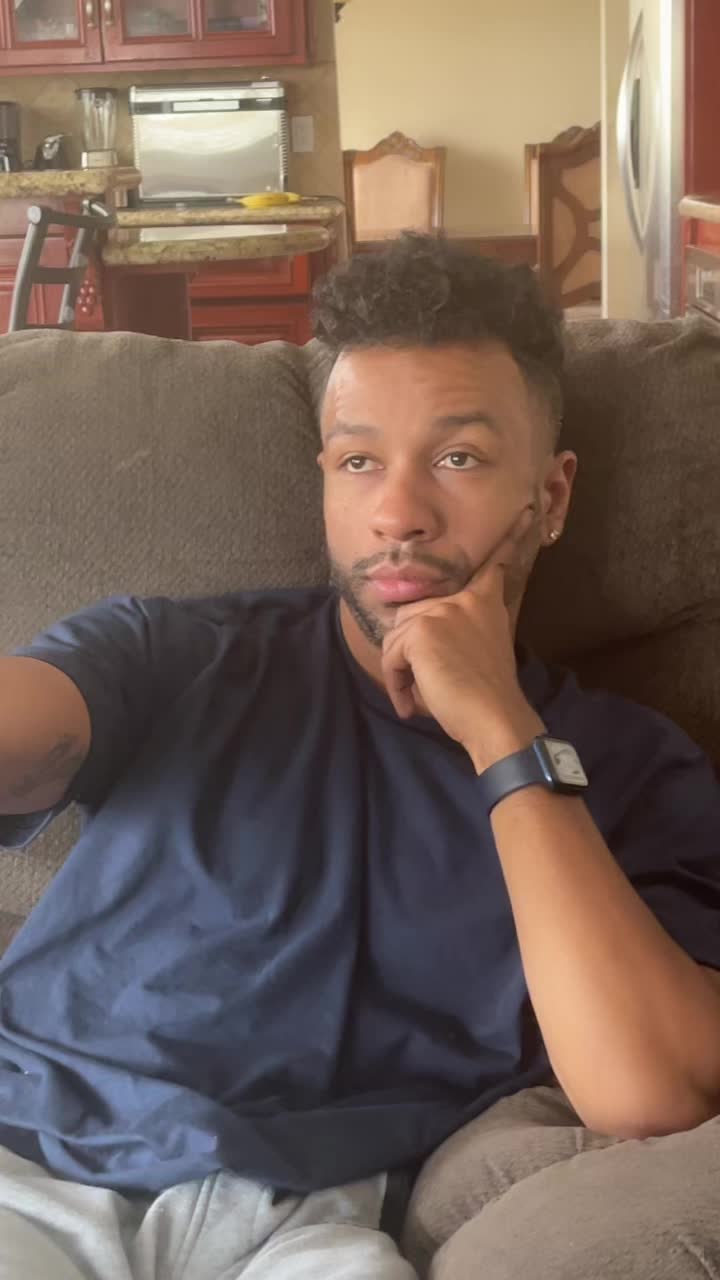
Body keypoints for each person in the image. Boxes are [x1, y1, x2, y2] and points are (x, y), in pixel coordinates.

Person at [1, 234, 720, 1280]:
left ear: (552, 498)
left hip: (311, 1223)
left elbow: (649, 1093)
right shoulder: (174, 652)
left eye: (459, 458)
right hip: (31, 1156)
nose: (397, 514)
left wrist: (502, 734)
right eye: (359, 461)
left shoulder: (630, 764)